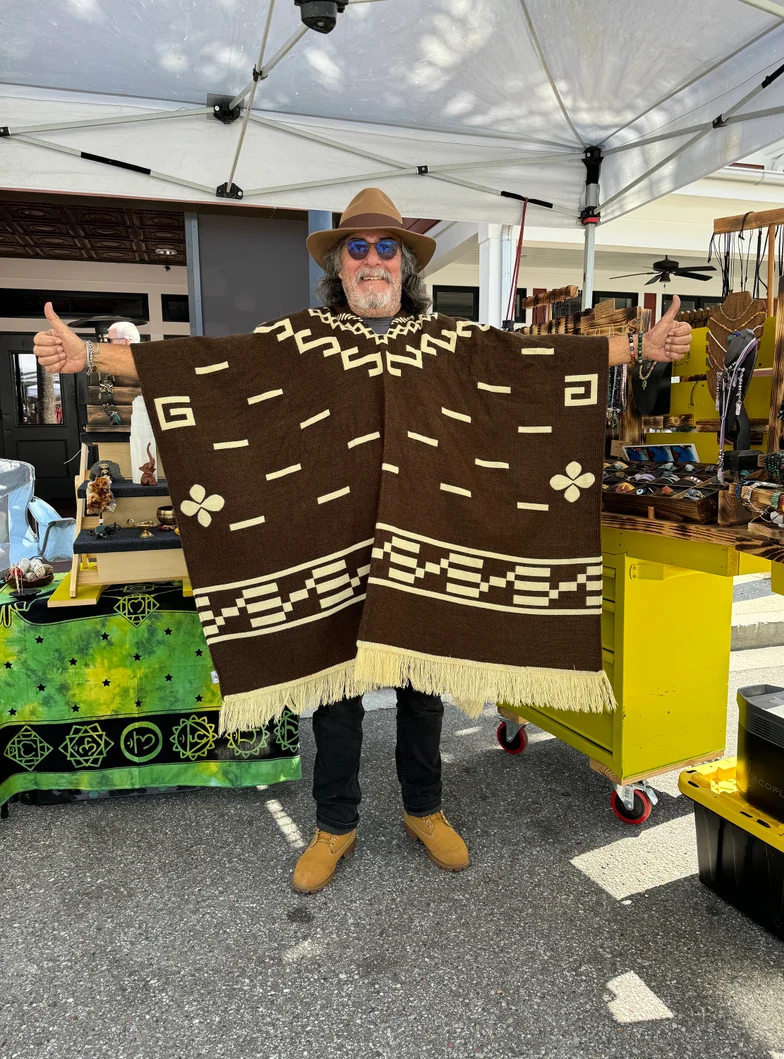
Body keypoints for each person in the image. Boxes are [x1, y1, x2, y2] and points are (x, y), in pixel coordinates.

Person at [33, 188, 692, 894]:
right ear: (339, 264)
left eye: (386, 248)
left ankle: (424, 809)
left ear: (404, 265)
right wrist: (91, 355)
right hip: (333, 545)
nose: (372, 260)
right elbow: (203, 365)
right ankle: (334, 824)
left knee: (424, 689)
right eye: (357, 248)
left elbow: (533, 361)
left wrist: (637, 347)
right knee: (336, 695)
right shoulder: (299, 341)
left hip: (423, 541)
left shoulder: (449, 341)